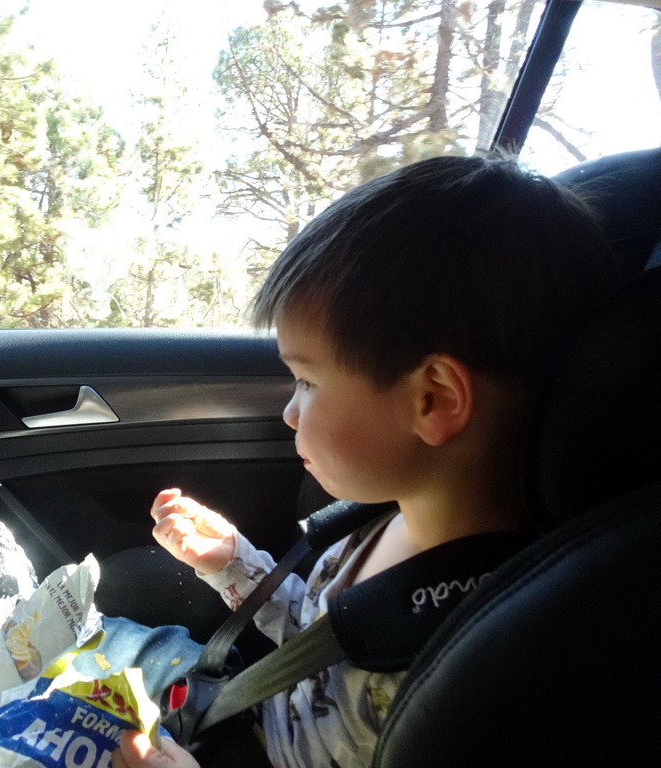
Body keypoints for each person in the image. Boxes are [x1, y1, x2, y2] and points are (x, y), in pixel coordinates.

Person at [110, 154, 619, 768]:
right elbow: (316, 639)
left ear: (433, 399)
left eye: (307, 382)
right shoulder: (381, 522)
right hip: (253, 710)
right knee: (114, 644)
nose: (290, 415)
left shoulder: (463, 662)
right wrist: (234, 565)